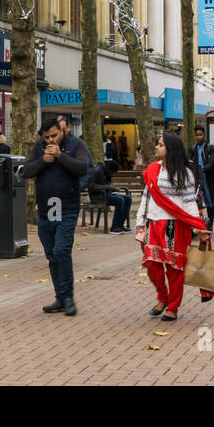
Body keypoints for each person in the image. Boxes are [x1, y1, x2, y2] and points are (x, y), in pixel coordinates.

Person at [136, 133, 212, 320]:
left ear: (170, 150)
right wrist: (140, 221)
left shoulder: (184, 173)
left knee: (174, 269)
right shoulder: (153, 169)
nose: (156, 147)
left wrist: (198, 226)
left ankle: (173, 307)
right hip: (153, 224)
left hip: (175, 226)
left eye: (161, 145)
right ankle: (163, 296)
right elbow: (147, 196)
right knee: (152, 265)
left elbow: (189, 202)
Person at [20, 117, 89, 315]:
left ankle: (68, 298)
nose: (50, 140)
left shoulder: (75, 145)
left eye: (54, 136)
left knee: (61, 250)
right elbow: (25, 171)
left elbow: (83, 168)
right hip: (46, 208)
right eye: (47, 137)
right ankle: (60, 297)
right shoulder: (38, 148)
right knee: (51, 254)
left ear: (62, 131)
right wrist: (42, 161)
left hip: (66, 207)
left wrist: (60, 156)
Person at [87, 160, 132, 233]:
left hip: (105, 194)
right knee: (120, 200)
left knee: (128, 199)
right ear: (107, 168)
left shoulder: (107, 173)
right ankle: (114, 227)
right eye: (111, 172)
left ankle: (120, 225)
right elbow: (91, 186)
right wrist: (108, 187)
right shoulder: (97, 171)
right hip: (97, 197)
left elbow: (106, 185)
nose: (112, 175)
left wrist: (112, 188)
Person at [192, 127, 214, 230]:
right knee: (194, 200)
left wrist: (203, 169)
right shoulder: (193, 149)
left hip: (206, 177)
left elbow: (212, 162)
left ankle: (210, 224)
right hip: (195, 178)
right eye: (197, 135)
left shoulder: (211, 148)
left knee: (209, 201)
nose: (198, 137)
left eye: (200, 134)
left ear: (204, 135)